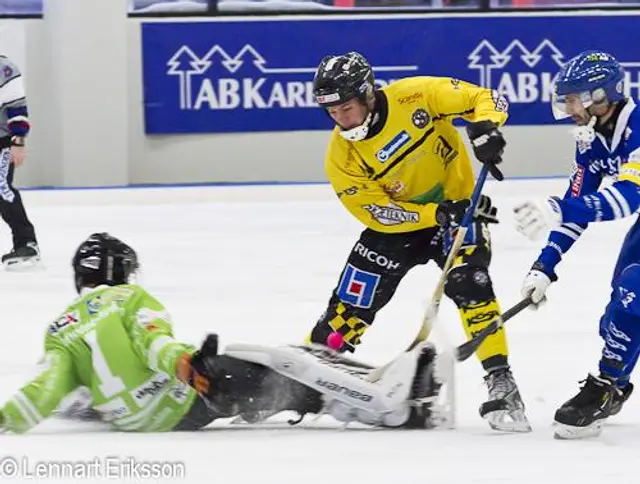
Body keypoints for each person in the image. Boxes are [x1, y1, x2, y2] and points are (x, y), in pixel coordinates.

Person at [0, 233, 443, 434]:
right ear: (122, 273)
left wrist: (6, 418)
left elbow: (47, 389)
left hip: (137, 423)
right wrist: (186, 365)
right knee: (283, 365)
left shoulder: (61, 328)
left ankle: (359, 394)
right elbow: (151, 342)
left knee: (268, 370)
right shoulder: (129, 300)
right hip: (181, 398)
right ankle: (383, 405)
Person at [306, 51, 530, 432]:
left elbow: (487, 98)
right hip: (403, 226)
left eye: (346, 108)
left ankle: (501, 381)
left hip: (461, 210)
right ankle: (311, 374)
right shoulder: (340, 155)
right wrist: (434, 215)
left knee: (470, 283)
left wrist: (488, 129)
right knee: (352, 302)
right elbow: (376, 213)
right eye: (332, 112)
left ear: (368, 94)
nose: (340, 120)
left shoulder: (417, 96)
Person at [514, 50, 639, 439]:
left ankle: (606, 386)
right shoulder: (591, 139)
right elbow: (576, 208)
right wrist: (544, 265)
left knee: (633, 294)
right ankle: (614, 381)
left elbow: (627, 197)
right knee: (620, 309)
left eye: (572, 99)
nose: (567, 108)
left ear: (599, 97)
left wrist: (558, 207)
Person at [0, 55, 39, 269]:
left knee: (2, 188)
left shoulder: (4, 69)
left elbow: (17, 108)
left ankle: (27, 244)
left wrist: (18, 141)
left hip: (2, 141)